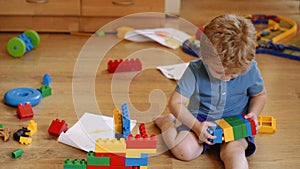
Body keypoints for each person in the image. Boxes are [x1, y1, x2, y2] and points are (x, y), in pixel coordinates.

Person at [154, 14, 267, 169]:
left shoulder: (250, 69)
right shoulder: (195, 70)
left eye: (234, 74)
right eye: (219, 72)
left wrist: (254, 114)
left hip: (235, 121)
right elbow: (175, 102)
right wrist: (196, 126)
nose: (226, 78)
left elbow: (259, 95)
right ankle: (167, 122)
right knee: (183, 151)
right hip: (200, 120)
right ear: (204, 56)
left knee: (235, 154)